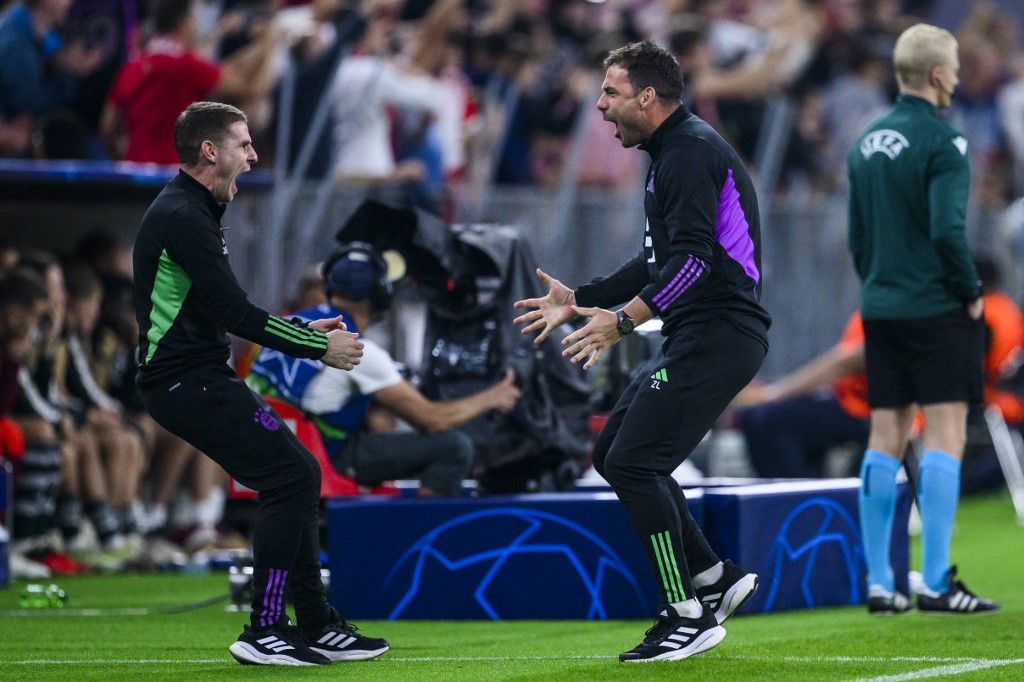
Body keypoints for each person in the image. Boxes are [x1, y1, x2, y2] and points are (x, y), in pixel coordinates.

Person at [514, 41, 770, 663]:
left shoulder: (686, 153)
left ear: (647, 96)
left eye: (611, 92)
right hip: (703, 332)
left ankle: (685, 613)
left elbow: (693, 262)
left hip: (718, 332)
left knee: (634, 463)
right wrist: (580, 298)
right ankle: (714, 576)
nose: (600, 106)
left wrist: (620, 323)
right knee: (614, 453)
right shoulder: (675, 150)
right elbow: (657, 261)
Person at [132, 101, 384, 666]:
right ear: (209, 151)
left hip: (197, 376)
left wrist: (299, 329)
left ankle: (313, 623)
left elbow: (223, 310)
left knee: (295, 474)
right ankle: (266, 626)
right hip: (183, 380)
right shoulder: (185, 215)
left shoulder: (192, 209)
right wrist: (319, 346)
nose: (252, 156)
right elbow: (235, 314)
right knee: (291, 475)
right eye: (244, 145)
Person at [847, 24, 999, 615]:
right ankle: (934, 580)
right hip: (936, 306)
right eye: (954, 68)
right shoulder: (944, 143)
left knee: (885, 434)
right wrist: (971, 291)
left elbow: (857, 238)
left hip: (881, 306)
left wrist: (880, 287)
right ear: (937, 75)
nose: (958, 78)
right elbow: (947, 230)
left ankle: (880, 582)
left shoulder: (865, 140)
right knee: (946, 434)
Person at [247, 242, 521, 496]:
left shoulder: (291, 323)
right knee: (453, 447)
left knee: (373, 416)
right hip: (322, 457)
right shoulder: (357, 349)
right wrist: (493, 397)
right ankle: (419, 536)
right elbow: (431, 420)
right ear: (380, 293)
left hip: (261, 444)